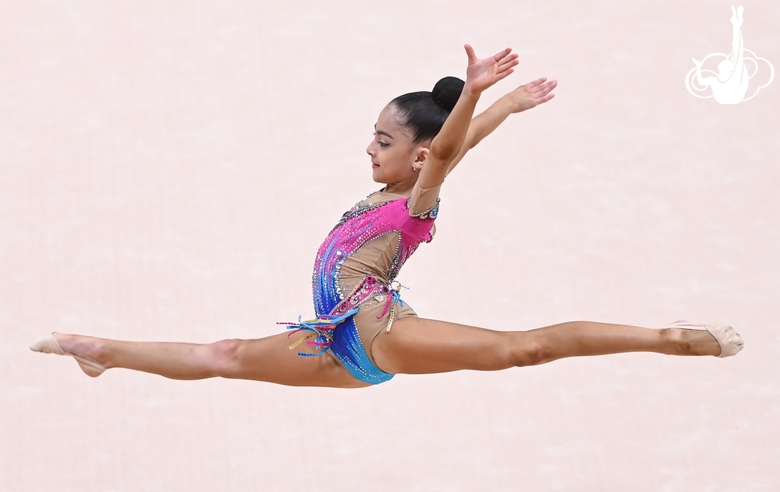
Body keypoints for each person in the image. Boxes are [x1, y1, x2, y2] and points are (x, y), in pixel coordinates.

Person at [30, 45, 743, 388]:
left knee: (520, 349)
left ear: (417, 154)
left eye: (383, 140)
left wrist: (475, 98)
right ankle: (100, 352)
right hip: (335, 340)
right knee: (225, 356)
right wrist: (504, 107)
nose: (369, 149)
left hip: (382, 331)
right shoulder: (388, 193)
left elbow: (449, 151)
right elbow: (452, 147)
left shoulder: (414, 203)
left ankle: (670, 336)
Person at [692, 5, 749, 104]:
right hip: (730, 97)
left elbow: (701, 82)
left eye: (726, 62)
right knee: (737, 51)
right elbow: (701, 82)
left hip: (730, 97)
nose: (725, 60)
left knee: (737, 50)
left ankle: (736, 23)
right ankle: (736, 23)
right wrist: (698, 67)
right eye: (728, 62)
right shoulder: (723, 79)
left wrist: (698, 67)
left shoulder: (718, 80)